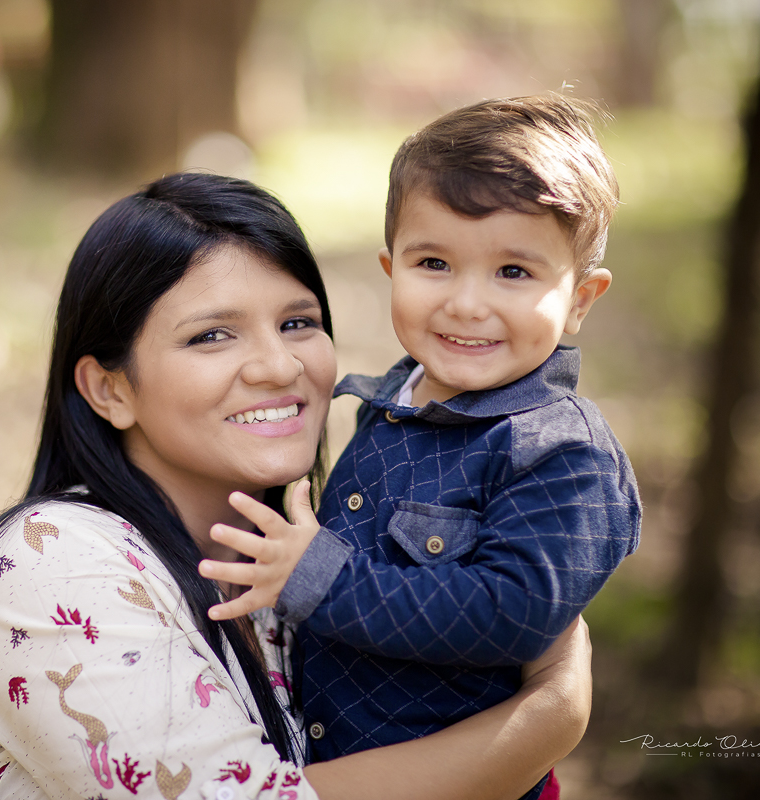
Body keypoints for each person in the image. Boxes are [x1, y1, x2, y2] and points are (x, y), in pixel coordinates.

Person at [0, 172, 594, 800]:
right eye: (212, 336)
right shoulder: (54, 565)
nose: (278, 366)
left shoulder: (307, 566)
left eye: (298, 324)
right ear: (110, 389)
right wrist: (549, 718)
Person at [200, 96, 641, 800]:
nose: (466, 303)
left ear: (580, 299)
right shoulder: (389, 406)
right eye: (434, 262)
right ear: (392, 267)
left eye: (513, 272)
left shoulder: (560, 452)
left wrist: (322, 580)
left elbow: (512, 615)